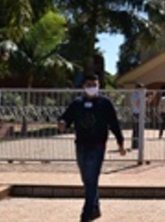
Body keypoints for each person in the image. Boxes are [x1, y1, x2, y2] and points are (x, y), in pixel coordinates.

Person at [58, 73, 126, 222]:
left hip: (98, 146)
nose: (92, 88)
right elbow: (66, 118)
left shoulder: (105, 103)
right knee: (86, 178)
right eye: (89, 85)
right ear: (83, 87)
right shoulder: (77, 103)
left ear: (99, 86)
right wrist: (62, 123)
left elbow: (114, 123)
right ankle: (95, 207)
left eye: (94, 85)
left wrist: (120, 142)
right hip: (81, 145)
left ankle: (86, 213)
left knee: (92, 177)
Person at [129, 83, 144, 150]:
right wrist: (143, 100)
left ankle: (137, 144)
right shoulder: (135, 95)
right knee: (136, 129)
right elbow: (137, 103)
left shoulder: (138, 94)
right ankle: (135, 144)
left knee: (138, 129)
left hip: (139, 112)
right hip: (136, 112)